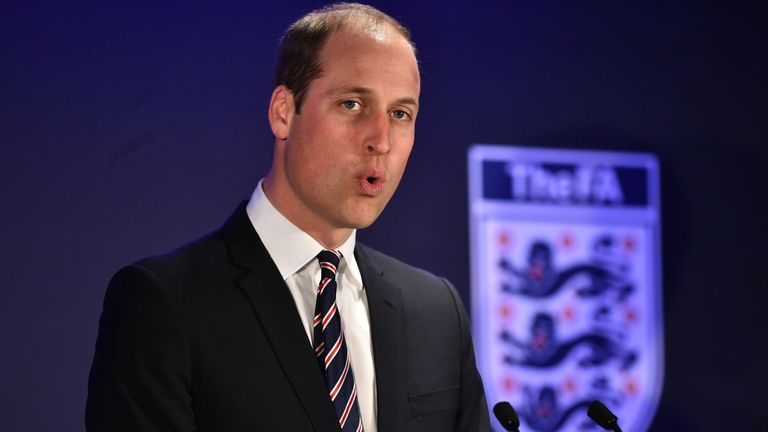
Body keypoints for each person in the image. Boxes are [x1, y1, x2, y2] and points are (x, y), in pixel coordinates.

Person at [86, 3, 491, 431]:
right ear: (283, 112)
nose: (381, 141)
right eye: (353, 104)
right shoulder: (164, 304)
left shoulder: (436, 312)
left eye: (400, 114)